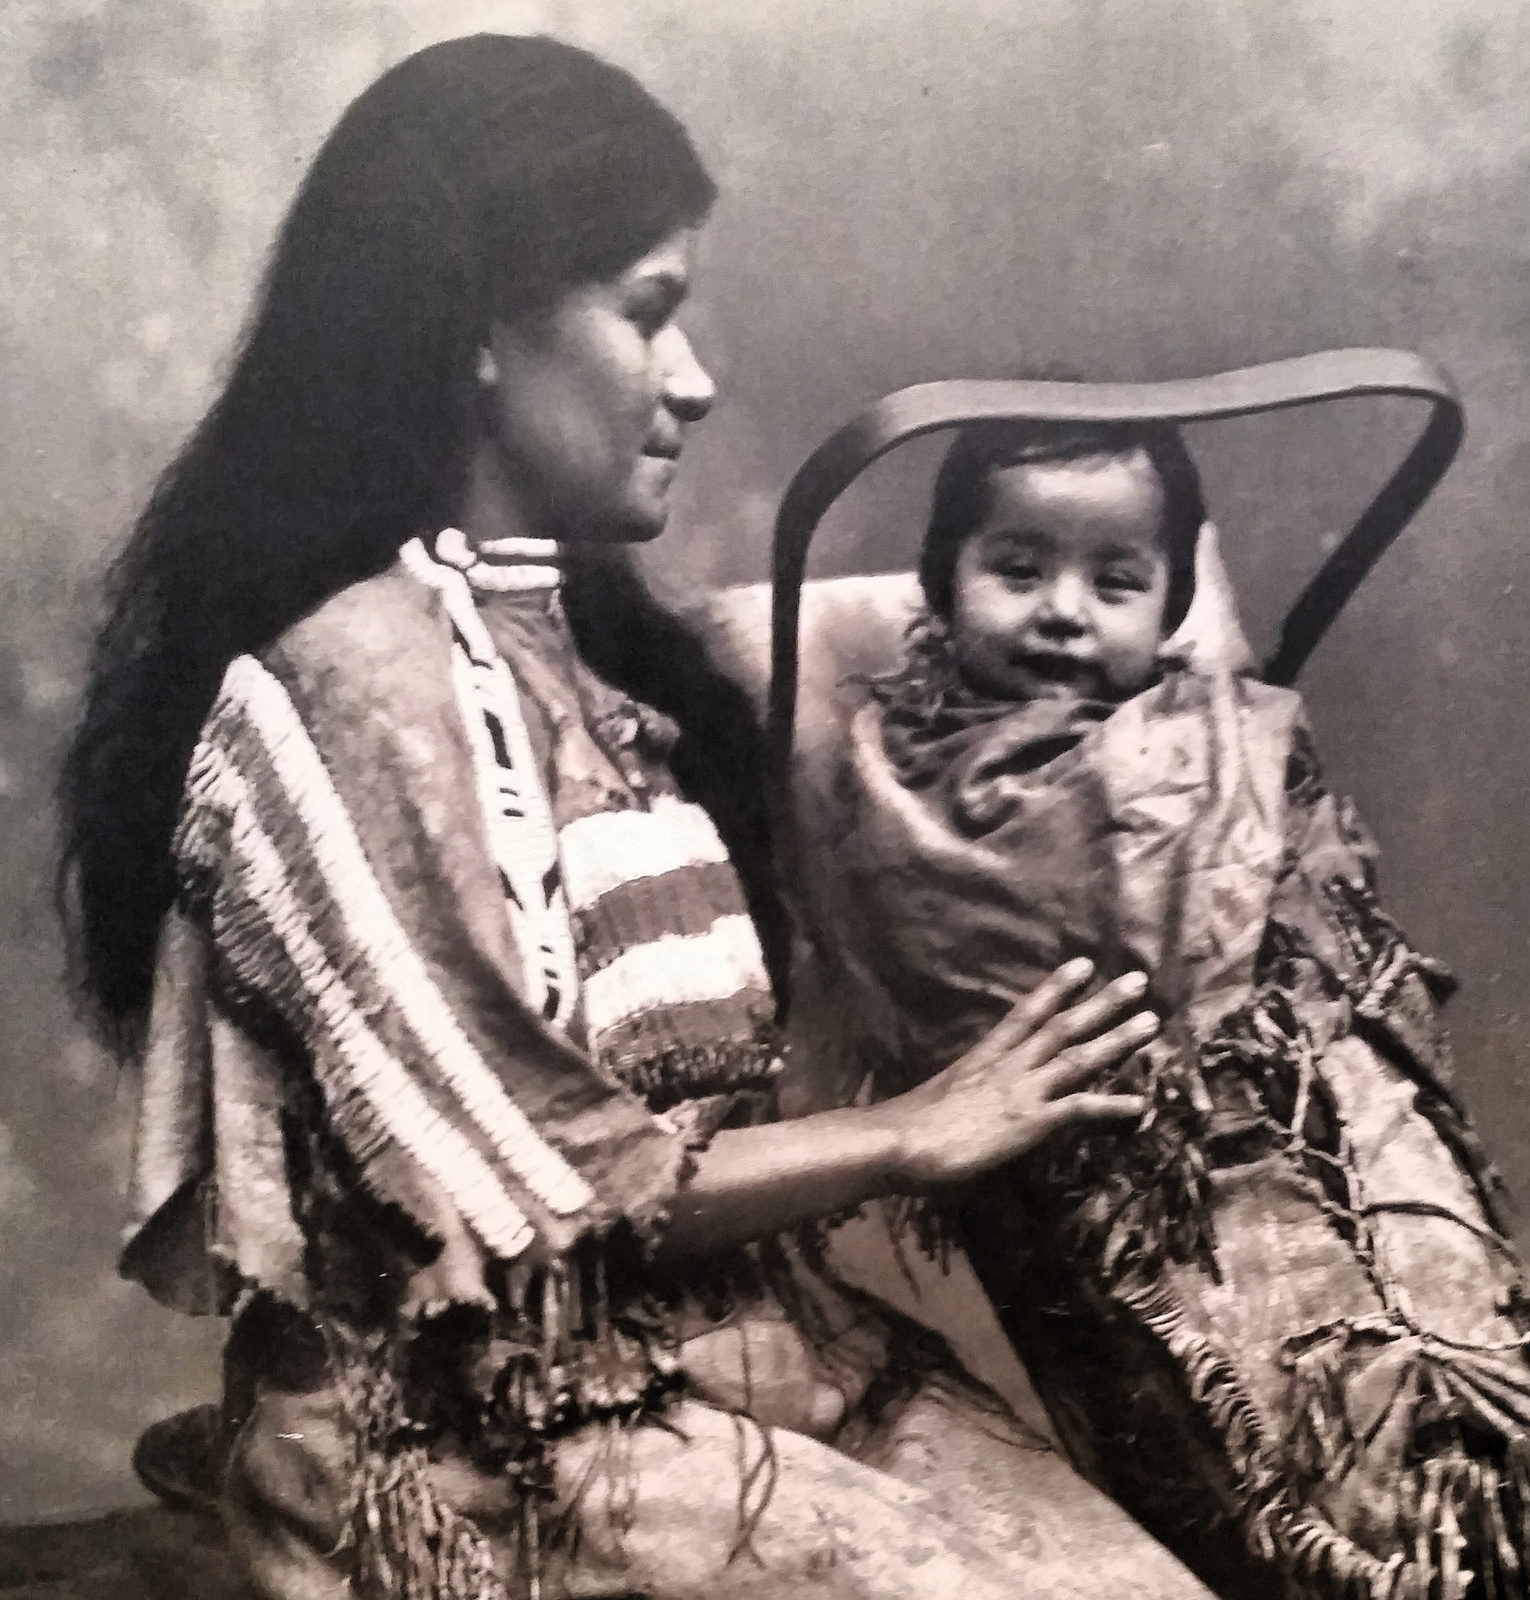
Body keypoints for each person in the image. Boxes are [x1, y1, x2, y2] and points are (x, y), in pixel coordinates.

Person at [56, 36, 1216, 1600]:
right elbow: (535, 1187)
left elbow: (924, 635)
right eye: (648, 312)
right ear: (476, 332)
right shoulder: (356, 682)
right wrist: (904, 1135)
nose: (696, 378)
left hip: (748, 1357)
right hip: (488, 1437)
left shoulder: (611, 650)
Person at [767, 413, 1530, 1599]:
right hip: (1116, 1161)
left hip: (1298, 1094)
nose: (1063, 610)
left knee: (1449, 1359)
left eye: (1115, 581)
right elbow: (917, 947)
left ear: (1167, 608)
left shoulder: (1216, 735)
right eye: (1016, 569)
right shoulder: (896, 785)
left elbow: (1320, 912)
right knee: (1269, 1443)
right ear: (942, 587)